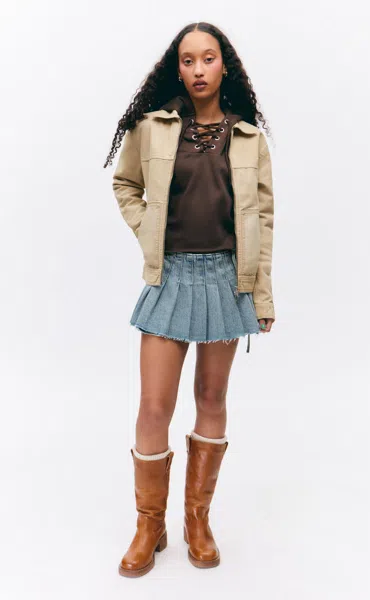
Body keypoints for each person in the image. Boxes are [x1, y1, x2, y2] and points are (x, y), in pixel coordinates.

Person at [104, 21, 275, 577]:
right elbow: (125, 184)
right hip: (170, 277)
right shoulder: (152, 128)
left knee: (211, 398)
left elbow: (263, 220)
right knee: (154, 406)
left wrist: (262, 297)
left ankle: (196, 521)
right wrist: (146, 227)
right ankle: (148, 524)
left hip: (227, 279)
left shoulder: (247, 137)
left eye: (208, 58)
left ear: (225, 66)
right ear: (176, 69)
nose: (198, 69)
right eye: (187, 60)